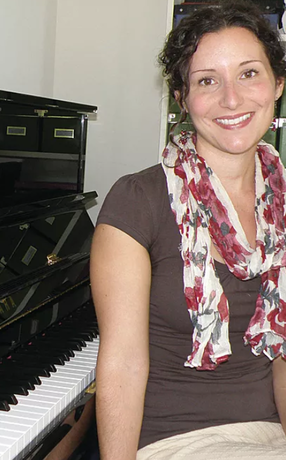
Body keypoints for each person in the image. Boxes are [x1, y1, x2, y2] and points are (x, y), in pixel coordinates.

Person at [90, 1, 286, 458]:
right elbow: (122, 364)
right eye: (207, 80)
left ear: (278, 84)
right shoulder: (138, 200)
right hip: (177, 441)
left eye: (249, 74)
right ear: (182, 97)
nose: (231, 99)